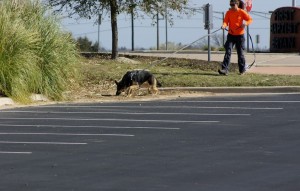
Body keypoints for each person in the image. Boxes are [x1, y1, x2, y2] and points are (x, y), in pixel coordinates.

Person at [218, 0, 253, 75]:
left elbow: (250, 19)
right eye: (230, 5)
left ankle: (242, 70)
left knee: (240, 54)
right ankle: (224, 70)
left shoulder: (241, 12)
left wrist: (245, 24)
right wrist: (223, 26)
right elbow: (225, 22)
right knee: (228, 51)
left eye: (233, 5)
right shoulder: (228, 12)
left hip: (240, 36)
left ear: (237, 4)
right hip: (231, 35)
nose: (231, 6)